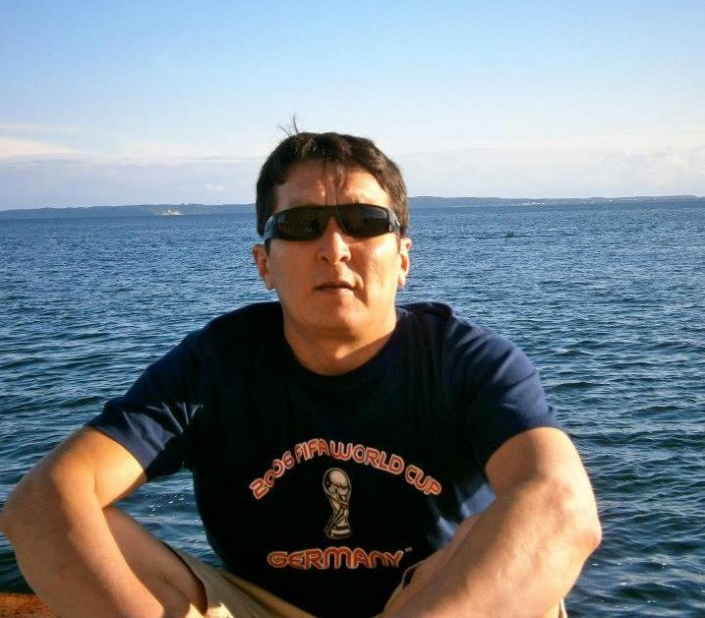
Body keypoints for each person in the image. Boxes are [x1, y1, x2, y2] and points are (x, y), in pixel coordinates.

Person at [1, 131, 601, 618]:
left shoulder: (465, 359)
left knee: (520, 545)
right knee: (89, 523)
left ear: (403, 259)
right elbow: (40, 504)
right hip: (259, 608)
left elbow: (562, 506)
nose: (334, 247)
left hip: (429, 602)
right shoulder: (216, 364)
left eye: (364, 221)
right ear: (264, 263)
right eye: (300, 224)